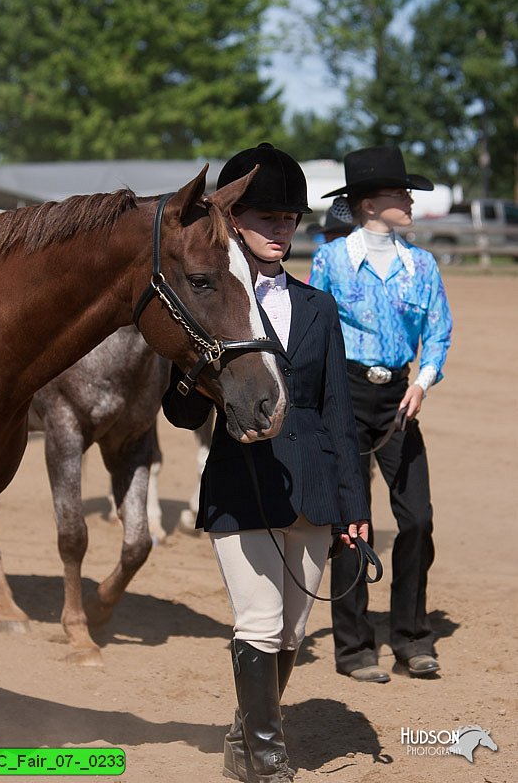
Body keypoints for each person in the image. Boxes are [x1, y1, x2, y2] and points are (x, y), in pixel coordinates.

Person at [162, 142, 370, 782]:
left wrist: (354, 511)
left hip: (310, 485)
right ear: (233, 223)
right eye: (267, 218)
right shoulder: (209, 306)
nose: (281, 230)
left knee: (291, 635)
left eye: (290, 219)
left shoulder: (318, 308)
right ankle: (267, 761)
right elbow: (180, 413)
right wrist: (195, 378)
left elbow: (338, 413)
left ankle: (239, 736)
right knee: (258, 620)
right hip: (240, 480)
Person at [309, 145, 453, 683]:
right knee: (352, 523)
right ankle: (353, 647)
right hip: (343, 394)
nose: (410, 199)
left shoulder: (422, 264)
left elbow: (437, 331)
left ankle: (412, 638)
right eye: (399, 193)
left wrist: (423, 379)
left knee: (417, 518)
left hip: (399, 397)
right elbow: (313, 330)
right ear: (368, 204)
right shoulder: (330, 262)